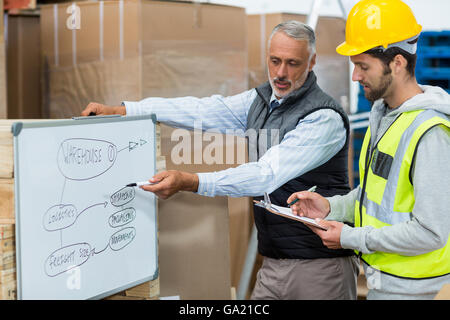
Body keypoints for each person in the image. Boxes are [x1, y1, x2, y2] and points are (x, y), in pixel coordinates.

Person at [82, 21, 359, 300]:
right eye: (275, 61)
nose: (281, 73)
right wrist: (127, 109)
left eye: (292, 63)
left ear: (312, 62)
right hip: (274, 262)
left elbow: (266, 174)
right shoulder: (261, 101)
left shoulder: (323, 118)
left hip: (320, 267)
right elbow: (203, 110)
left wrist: (192, 181)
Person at [288, 0, 450, 300]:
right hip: (384, 283)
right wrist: (330, 206)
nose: (355, 76)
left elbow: (431, 232)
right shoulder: (385, 115)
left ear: (397, 63)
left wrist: (350, 237)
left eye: (363, 66)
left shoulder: (430, 134)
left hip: (416, 291)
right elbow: (379, 198)